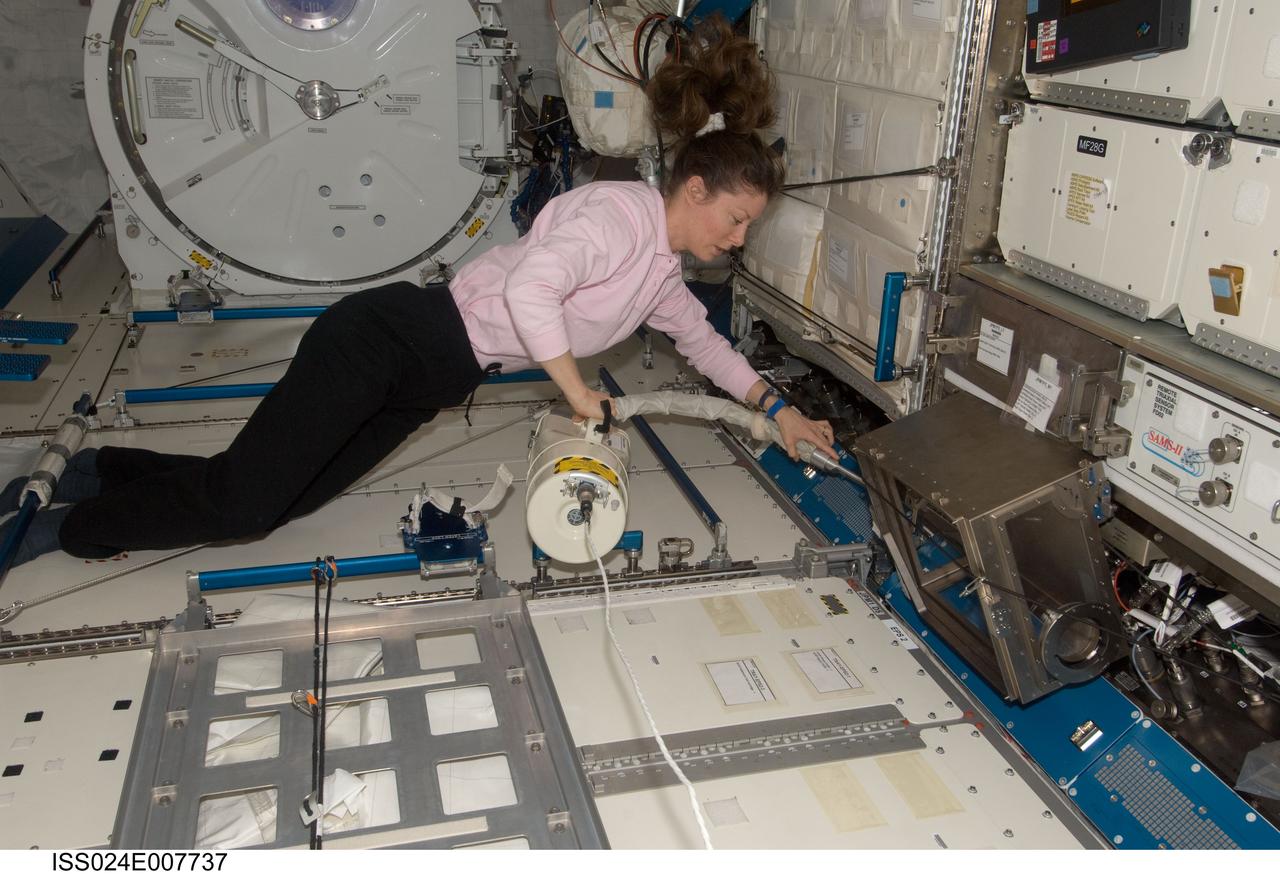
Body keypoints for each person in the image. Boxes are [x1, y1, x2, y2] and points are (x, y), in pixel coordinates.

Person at [0, 18, 835, 566]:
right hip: (386, 343)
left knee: (277, 494)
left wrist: (775, 408)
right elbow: (535, 289)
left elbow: (703, 342)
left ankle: (101, 471)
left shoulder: (658, 267)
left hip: (423, 381)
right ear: (694, 192)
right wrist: (578, 392)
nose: (735, 240)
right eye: (733, 220)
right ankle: (66, 530)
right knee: (247, 502)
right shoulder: (620, 216)